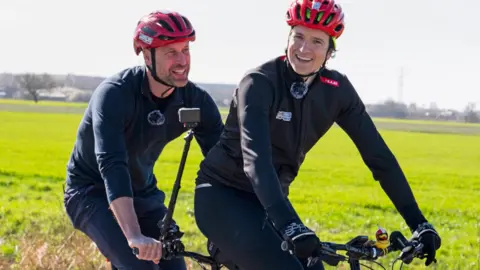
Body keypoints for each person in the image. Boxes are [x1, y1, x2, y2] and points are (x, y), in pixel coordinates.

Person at [193, 0, 441, 269]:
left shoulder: (336, 90)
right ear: (288, 38)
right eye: (298, 37)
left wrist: (419, 223)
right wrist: (290, 226)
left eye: (317, 41)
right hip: (222, 195)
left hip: (270, 202)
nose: (303, 49)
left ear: (330, 51)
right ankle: (225, 246)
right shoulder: (259, 82)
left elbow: (379, 158)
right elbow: (256, 162)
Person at [63, 10, 224, 270]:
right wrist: (133, 235)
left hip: (143, 193)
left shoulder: (196, 100)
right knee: (139, 266)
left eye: (185, 50)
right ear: (146, 54)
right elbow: (112, 166)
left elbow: (225, 165)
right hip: (91, 192)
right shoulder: (115, 95)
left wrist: (231, 230)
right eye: (171, 52)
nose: (182, 60)